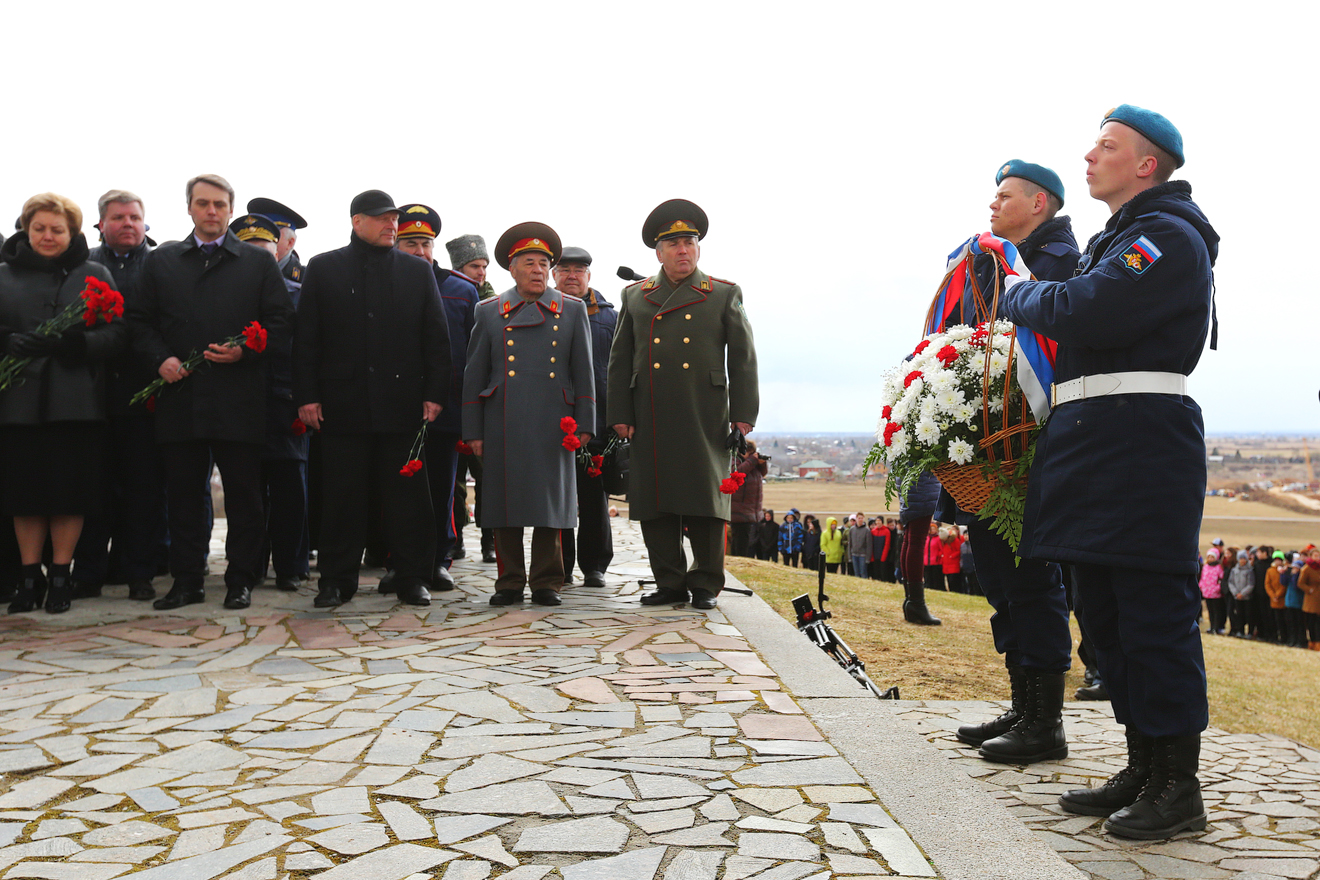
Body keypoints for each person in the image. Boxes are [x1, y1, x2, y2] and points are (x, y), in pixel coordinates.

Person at [998, 106, 1218, 839]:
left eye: (1107, 146)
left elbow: (1083, 308)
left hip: (1140, 444)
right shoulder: (1118, 237)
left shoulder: (1167, 237)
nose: (1090, 157)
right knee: (1105, 616)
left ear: (1146, 164)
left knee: (1153, 616)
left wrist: (1017, 292)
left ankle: (1178, 784)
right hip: (1095, 440)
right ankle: (1143, 764)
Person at [952, 160, 1079, 763]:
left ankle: (1045, 721)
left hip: (1030, 445)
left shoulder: (1058, 263)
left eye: (1004, 195)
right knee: (1001, 579)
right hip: (989, 446)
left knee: (1031, 578)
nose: (993, 204)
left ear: (1039, 203)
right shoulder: (988, 262)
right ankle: (1023, 704)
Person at [130, 174, 293, 612]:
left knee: (244, 496)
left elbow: (280, 323)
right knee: (183, 496)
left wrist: (245, 352)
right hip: (180, 396)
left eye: (219, 204)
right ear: (189, 208)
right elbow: (139, 322)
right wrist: (160, 359)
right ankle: (186, 581)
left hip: (239, 397)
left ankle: (241, 579)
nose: (211, 211)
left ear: (230, 209)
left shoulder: (256, 263)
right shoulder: (162, 261)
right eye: (203, 203)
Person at [294, 190, 450, 608]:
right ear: (356, 221)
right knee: (342, 498)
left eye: (394, 218)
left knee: (408, 499)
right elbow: (306, 339)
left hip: (402, 404)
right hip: (342, 406)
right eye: (382, 218)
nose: (391, 225)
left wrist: (435, 394)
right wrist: (307, 396)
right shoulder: (324, 268)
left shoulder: (417, 272)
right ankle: (336, 580)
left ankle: (412, 577)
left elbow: (436, 338)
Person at [607, 199, 758, 610]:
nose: (683, 250)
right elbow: (620, 360)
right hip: (650, 411)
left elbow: (743, 359)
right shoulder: (636, 296)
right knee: (654, 500)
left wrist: (743, 416)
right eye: (674, 244)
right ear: (659, 253)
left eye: (689, 242)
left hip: (704, 412)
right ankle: (669, 581)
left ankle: (706, 582)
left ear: (698, 248)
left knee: (706, 500)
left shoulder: (722, 293)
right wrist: (619, 414)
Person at [0, 194, 126, 614]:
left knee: (68, 494)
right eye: (39, 228)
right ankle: (28, 578)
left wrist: (77, 344)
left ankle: (59, 576)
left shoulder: (95, 273)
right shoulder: (4, 275)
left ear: (72, 232)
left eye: (57, 229)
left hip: (75, 403)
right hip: (18, 404)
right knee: (25, 496)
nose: (48, 236)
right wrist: (7, 341)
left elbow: (117, 334)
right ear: (26, 230)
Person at [462, 223, 593, 607]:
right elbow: (474, 375)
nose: (538, 270)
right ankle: (509, 581)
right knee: (504, 505)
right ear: (512, 268)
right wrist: (473, 430)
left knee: (550, 505)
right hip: (502, 419)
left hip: (555, 421)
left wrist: (585, 422)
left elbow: (583, 372)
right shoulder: (488, 311)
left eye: (543, 264)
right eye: (529, 263)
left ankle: (547, 582)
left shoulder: (572, 310)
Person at [73, 189, 165, 602]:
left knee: (143, 491)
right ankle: (87, 573)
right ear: (101, 224)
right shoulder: (84, 267)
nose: (127, 224)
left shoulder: (161, 265)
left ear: (144, 223)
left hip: (146, 397)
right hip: (94, 397)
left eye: (134, 217)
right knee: (94, 490)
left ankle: (139, 573)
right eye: (118, 218)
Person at [395, 204, 479, 592]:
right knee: (399, 490)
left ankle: (439, 559)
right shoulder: (385, 283)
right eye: (410, 243)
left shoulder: (461, 290)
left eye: (425, 244)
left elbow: (475, 356)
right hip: (397, 409)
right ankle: (399, 561)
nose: (419, 251)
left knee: (443, 489)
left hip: (446, 409)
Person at [228, 213, 310, 595]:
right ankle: (251, 565)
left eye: (263, 249)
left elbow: (309, 351)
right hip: (240, 404)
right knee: (246, 491)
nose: (256, 257)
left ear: (276, 251)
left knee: (290, 489)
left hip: (285, 403)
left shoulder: (298, 293)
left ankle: (290, 566)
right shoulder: (227, 294)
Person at [553, 247, 616, 588]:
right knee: (558, 496)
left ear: (589, 276)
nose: (572, 276)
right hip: (555, 419)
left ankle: (595, 565)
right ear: (554, 275)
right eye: (565, 270)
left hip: (599, 421)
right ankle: (560, 565)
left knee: (594, 497)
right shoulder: (544, 309)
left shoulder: (609, 318)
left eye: (579, 270)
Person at [446, 233, 496, 564]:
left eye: (484, 266)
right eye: (474, 266)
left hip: (485, 401)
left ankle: (490, 540)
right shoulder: (447, 295)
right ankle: (456, 537)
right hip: (453, 398)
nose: (481, 273)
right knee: (454, 479)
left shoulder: (496, 304)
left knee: (487, 474)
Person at [898, 471, 941, 623]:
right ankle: (916, 603)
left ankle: (911, 600)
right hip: (921, 486)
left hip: (912, 483)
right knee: (916, 542)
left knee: (910, 540)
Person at [247, 197, 307, 285]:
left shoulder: (306, 279)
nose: (262, 239)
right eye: (257, 234)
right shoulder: (236, 270)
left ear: (290, 243)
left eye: (271, 234)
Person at [729, 439, 767, 557]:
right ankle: (738, 562)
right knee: (740, 542)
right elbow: (736, 474)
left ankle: (738, 561)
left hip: (750, 511)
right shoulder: (735, 460)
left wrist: (762, 463)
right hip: (739, 510)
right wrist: (752, 460)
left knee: (743, 542)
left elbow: (763, 473)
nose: (749, 455)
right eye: (748, 452)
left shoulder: (752, 464)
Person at [1225, 550, 1254, 637]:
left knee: (1249, 615)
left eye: (1244, 558)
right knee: (1239, 614)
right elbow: (1230, 582)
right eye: (1240, 558)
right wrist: (1236, 593)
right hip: (1237, 596)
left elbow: (1251, 584)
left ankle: (1250, 632)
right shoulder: (1234, 570)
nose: (1242, 560)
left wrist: (1243, 593)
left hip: (1247, 597)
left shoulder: (1250, 570)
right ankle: (1240, 631)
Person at [1198, 548, 1226, 635]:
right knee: (1210, 611)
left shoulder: (1219, 567)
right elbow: (1203, 578)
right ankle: (1212, 626)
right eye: (1209, 557)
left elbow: (1221, 579)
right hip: (1207, 592)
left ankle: (1216, 627)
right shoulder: (1205, 567)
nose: (1210, 559)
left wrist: (1217, 588)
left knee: (1217, 611)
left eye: (1212, 557)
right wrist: (1201, 587)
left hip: (1215, 593)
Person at [1265, 551, 1288, 645]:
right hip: (1273, 600)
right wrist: (1273, 595)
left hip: (1283, 599)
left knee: (1284, 620)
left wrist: (1278, 594)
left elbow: (1284, 584)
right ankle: (1276, 636)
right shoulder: (1270, 571)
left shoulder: (1285, 571)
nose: (1278, 562)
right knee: (1275, 620)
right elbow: (1267, 584)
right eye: (1276, 560)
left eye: (1279, 560)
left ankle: (1284, 637)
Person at [1300, 547, 1320, 650]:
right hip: (1311, 599)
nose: (1317, 558)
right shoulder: (1306, 569)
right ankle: (1313, 642)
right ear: (1311, 557)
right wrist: (1309, 590)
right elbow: (1301, 583)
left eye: (1318, 555)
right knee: (1312, 622)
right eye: (1315, 556)